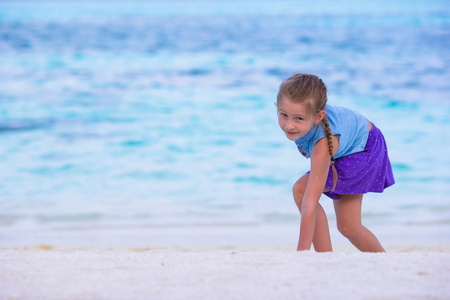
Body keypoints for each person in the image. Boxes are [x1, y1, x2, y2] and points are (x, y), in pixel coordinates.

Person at [276, 74, 395, 252]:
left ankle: (324, 258)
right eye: (283, 115)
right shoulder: (306, 119)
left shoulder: (322, 145)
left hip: (364, 149)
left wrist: (301, 254)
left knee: (302, 190)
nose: (289, 125)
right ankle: (382, 261)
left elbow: (310, 203)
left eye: (298, 118)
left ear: (318, 116)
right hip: (351, 142)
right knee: (349, 227)